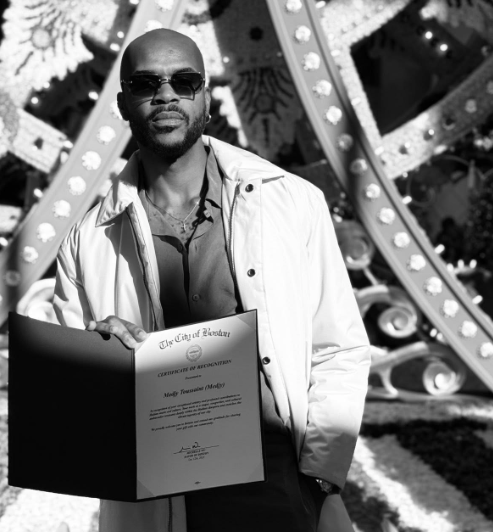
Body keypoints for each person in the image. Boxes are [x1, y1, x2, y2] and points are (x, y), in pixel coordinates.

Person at [53, 29, 370, 532]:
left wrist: (321, 475)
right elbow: (69, 398)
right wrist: (98, 355)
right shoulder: (86, 241)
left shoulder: (292, 203)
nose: (166, 95)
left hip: (279, 488)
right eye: (146, 83)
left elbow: (339, 347)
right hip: (155, 495)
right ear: (122, 103)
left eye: (184, 81)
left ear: (206, 96)